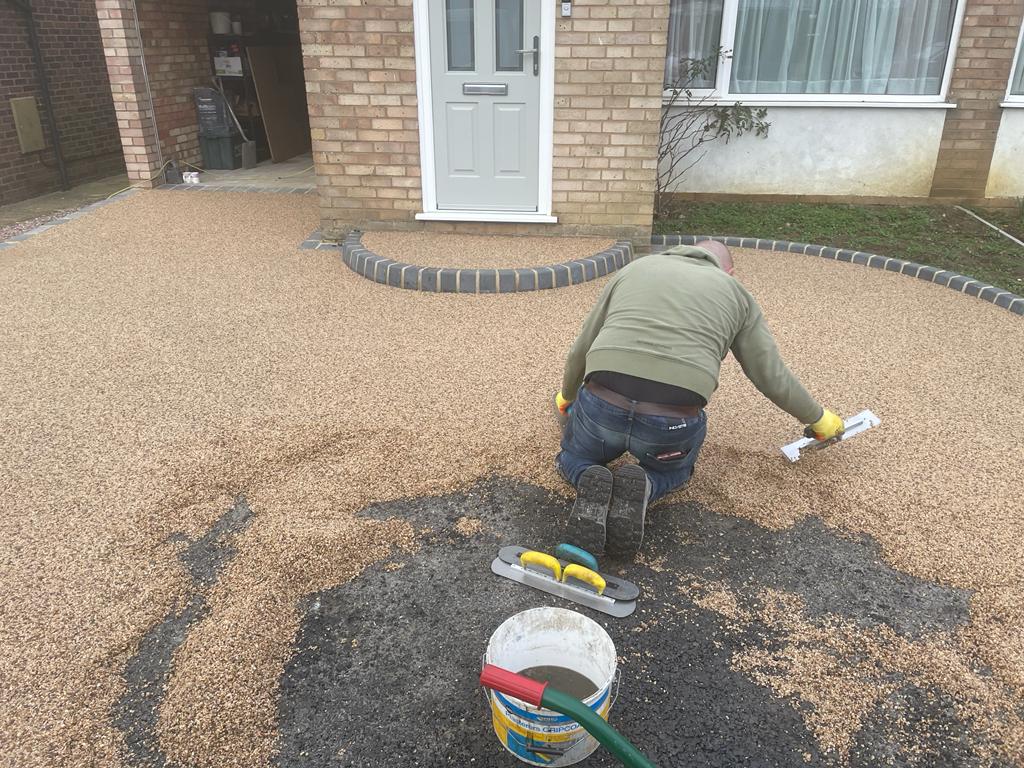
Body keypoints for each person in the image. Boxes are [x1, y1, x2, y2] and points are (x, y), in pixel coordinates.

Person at [554, 240, 844, 557]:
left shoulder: (633, 269)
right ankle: (648, 484)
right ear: (729, 271)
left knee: (574, 456)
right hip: (670, 422)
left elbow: (581, 348)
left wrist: (567, 396)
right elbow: (769, 374)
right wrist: (818, 418)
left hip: (602, 405)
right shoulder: (736, 294)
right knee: (674, 470)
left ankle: (587, 475)